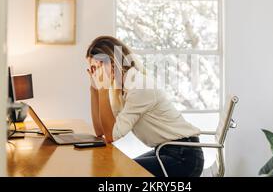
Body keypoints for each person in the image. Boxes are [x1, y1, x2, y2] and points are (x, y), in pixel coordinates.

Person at [86, 36, 204, 177]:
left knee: (119, 173)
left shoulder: (139, 87)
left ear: (112, 63)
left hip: (184, 157)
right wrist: (94, 89)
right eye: (92, 68)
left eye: (98, 66)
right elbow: (101, 132)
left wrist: (102, 90)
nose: (95, 73)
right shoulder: (121, 88)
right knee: (115, 168)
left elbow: (111, 136)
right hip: (164, 150)